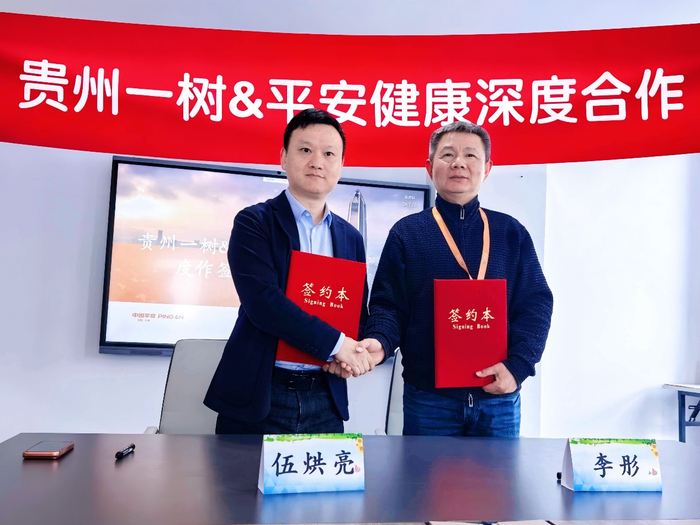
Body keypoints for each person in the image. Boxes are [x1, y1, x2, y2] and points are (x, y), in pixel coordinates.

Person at [360, 121, 553, 437]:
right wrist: (379, 342)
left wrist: (519, 366)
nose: (459, 163)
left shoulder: (510, 232)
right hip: (429, 400)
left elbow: (536, 305)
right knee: (426, 472)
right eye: (448, 154)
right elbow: (388, 306)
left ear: (487, 168)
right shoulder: (407, 233)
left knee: (498, 474)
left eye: (471, 155)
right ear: (430, 167)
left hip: (498, 399)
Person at [204, 108, 376, 435]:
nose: (317, 162)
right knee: (241, 473)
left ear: (341, 164)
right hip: (261, 395)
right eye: (305, 149)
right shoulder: (254, 222)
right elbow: (263, 303)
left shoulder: (351, 238)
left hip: (325, 397)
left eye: (329, 154)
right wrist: (338, 344)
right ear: (284, 158)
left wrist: (352, 352)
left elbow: (356, 311)